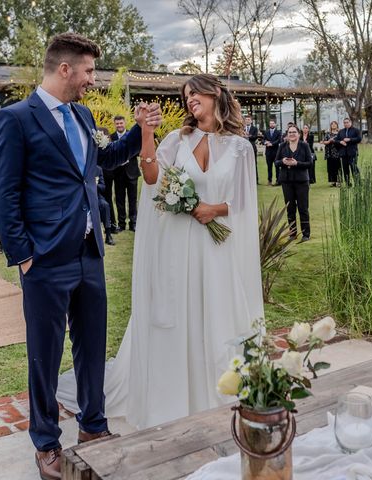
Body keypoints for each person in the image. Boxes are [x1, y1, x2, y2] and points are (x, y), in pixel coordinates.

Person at [0, 32, 162, 480]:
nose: (91, 80)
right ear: (64, 69)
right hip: (44, 260)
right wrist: (24, 256)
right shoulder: (15, 118)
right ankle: (46, 443)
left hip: (89, 253)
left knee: (92, 347)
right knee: (44, 356)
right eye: (87, 71)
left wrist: (143, 130)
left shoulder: (83, 116)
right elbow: (4, 195)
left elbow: (105, 161)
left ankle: (93, 427)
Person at [57, 73, 263, 431]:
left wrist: (211, 210)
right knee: (178, 311)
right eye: (186, 96)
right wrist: (147, 133)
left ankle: (218, 390)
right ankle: (174, 394)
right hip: (178, 246)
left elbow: (244, 201)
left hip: (215, 248)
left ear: (215, 94)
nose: (190, 100)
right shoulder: (176, 138)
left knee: (214, 310)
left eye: (195, 93)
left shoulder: (240, 147)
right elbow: (151, 176)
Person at [275, 125, 313, 241]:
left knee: (303, 208)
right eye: (289, 132)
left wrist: (297, 163)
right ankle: (292, 233)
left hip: (301, 181)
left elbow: (310, 163)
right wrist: (282, 161)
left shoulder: (304, 146)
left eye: (294, 132)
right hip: (286, 181)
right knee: (290, 208)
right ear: (287, 134)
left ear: (299, 134)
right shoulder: (282, 146)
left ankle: (306, 234)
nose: (291, 134)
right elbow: (276, 162)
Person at [111, 115, 141, 232]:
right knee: (119, 199)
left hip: (131, 171)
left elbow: (138, 149)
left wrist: (126, 157)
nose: (119, 125)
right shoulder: (111, 137)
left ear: (125, 123)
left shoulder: (131, 135)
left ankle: (133, 223)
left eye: (121, 123)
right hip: (118, 173)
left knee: (133, 199)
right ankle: (122, 224)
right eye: (117, 124)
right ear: (115, 124)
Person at [336, 117, 362, 186]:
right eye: (344, 123)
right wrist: (340, 142)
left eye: (347, 122)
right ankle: (348, 184)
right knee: (345, 168)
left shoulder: (355, 130)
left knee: (353, 167)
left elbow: (359, 139)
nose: (346, 124)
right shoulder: (341, 131)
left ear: (350, 122)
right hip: (343, 153)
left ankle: (357, 183)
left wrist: (350, 139)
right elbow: (336, 140)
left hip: (352, 152)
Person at [95, 165, 115, 245]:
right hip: (84, 197)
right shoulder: (82, 168)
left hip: (97, 197)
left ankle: (108, 234)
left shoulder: (98, 169)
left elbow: (103, 187)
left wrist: (94, 185)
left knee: (105, 205)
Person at [262, 119, 282, 186]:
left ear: (275, 124)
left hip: (276, 152)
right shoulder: (266, 132)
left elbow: (279, 140)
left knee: (277, 167)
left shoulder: (278, 132)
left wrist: (272, 144)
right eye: (270, 123)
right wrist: (265, 142)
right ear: (269, 124)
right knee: (269, 167)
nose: (272, 124)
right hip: (268, 153)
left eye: (273, 123)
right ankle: (269, 181)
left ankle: (278, 180)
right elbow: (263, 139)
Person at [322, 121, 341, 187]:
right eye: (332, 124)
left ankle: (338, 181)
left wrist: (335, 141)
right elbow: (324, 142)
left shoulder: (339, 133)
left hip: (337, 153)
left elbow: (341, 142)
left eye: (334, 124)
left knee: (338, 167)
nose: (333, 125)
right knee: (330, 168)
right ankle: (333, 181)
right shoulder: (328, 134)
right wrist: (329, 141)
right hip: (329, 153)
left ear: (337, 125)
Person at [244, 114, 259, 183]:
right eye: (246, 120)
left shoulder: (255, 128)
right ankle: (246, 180)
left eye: (248, 120)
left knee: (253, 163)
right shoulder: (242, 128)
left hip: (252, 147)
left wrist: (248, 135)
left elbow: (255, 137)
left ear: (251, 121)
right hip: (243, 149)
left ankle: (255, 180)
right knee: (244, 164)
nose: (247, 121)